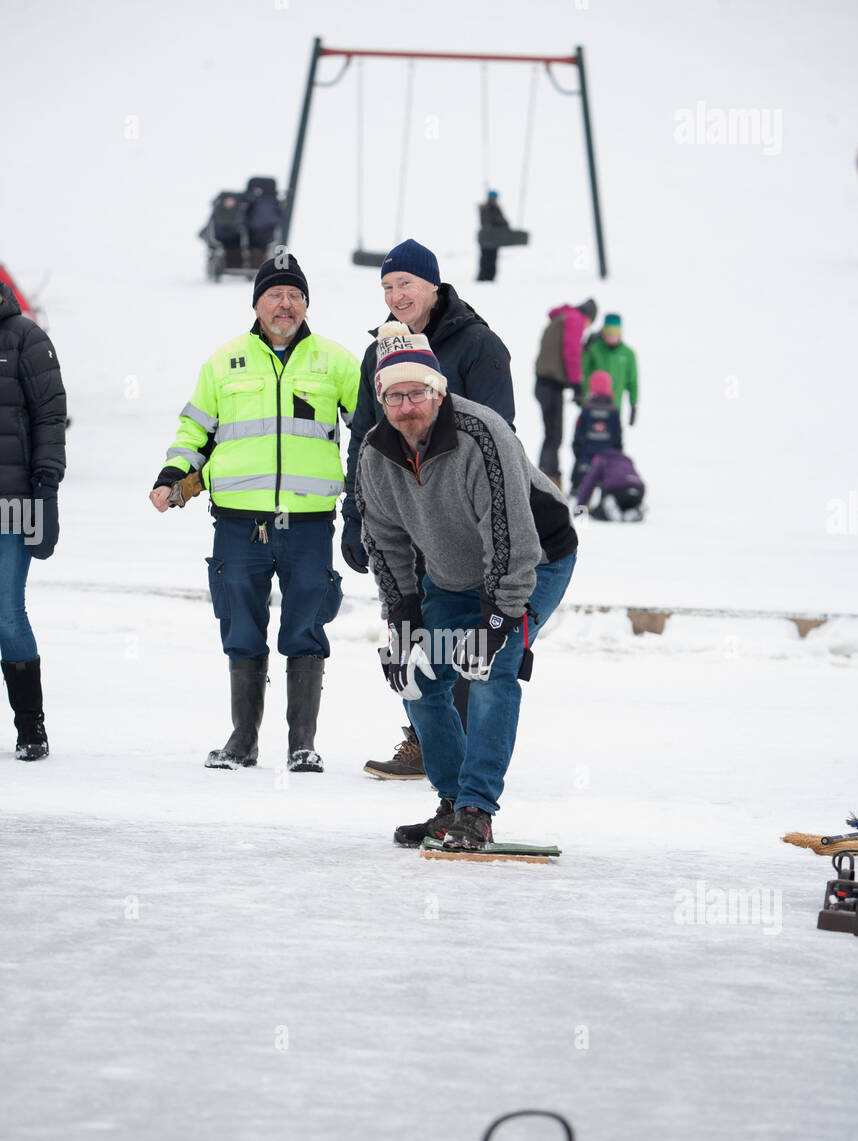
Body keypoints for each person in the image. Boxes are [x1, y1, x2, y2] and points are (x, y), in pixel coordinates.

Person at [356, 322, 577, 850]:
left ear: (438, 390)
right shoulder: (374, 454)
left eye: (418, 392)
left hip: (535, 560)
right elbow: (383, 542)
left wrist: (499, 622)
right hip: (451, 574)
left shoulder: (484, 434)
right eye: (395, 395)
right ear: (381, 398)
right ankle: (451, 803)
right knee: (418, 674)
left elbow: (513, 540)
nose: (408, 405)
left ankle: (477, 809)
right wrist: (402, 617)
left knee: (491, 668)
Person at [149, 253, 359, 773]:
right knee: (240, 623)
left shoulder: (335, 361)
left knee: (306, 625)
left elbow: (371, 433)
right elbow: (194, 433)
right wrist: (172, 476)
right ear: (257, 303)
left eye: (294, 295)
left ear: (306, 304)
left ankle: (302, 743)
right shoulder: (223, 362)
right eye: (274, 294)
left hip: (309, 523)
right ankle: (243, 740)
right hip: (239, 524)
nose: (284, 303)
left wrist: (365, 495)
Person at [341, 237, 515, 781]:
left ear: (433, 286)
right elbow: (363, 440)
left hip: (463, 517)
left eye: (406, 284)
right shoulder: (378, 353)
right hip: (402, 512)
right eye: (387, 286)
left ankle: (459, 760)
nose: (396, 295)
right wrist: (355, 512)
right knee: (411, 630)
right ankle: (427, 740)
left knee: (466, 633)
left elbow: (500, 436)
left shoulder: (478, 346)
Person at [0, 282, 66, 759]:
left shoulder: (25, 337)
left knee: (6, 611)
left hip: (13, 502)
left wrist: (46, 489)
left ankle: (31, 728)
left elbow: (49, 415)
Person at [533, 299, 597, 486]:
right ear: (589, 317)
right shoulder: (575, 319)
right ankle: (549, 480)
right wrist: (577, 384)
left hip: (543, 383)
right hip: (551, 385)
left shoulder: (560, 318)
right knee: (554, 435)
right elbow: (571, 352)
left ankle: (547, 477)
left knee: (551, 434)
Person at [571, 370, 622, 495]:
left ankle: (576, 487)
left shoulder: (587, 409)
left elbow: (579, 429)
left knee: (581, 470)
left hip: (587, 453)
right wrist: (618, 448)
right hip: (607, 454)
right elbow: (617, 432)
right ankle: (607, 488)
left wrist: (576, 444)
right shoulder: (613, 410)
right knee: (607, 474)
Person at [582, 313, 639, 422]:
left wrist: (633, 404)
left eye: (615, 332)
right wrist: (585, 349)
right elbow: (582, 369)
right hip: (591, 406)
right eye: (608, 332)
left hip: (614, 408)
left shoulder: (628, 354)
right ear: (603, 332)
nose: (611, 336)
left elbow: (632, 381)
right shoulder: (594, 349)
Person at [575, 449, 645, 522]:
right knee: (627, 503)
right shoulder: (626, 460)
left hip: (616, 489)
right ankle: (634, 509)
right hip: (638, 489)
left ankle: (609, 508)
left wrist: (580, 508)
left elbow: (588, 484)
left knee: (597, 512)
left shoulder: (600, 459)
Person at [477, 190, 509, 282]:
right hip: (488, 240)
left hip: (493, 240)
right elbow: (491, 223)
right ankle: (483, 278)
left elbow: (503, 223)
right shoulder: (487, 209)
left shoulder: (494, 208)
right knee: (486, 260)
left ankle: (489, 277)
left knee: (491, 260)